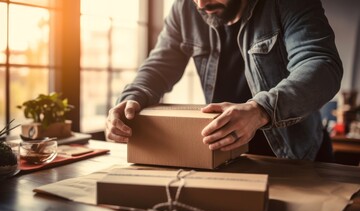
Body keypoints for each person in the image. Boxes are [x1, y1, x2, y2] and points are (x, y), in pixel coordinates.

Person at [106, 0, 343, 162]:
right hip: (227, 158)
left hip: (297, 159)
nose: (200, 4)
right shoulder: (184, 9)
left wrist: (260, 110)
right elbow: (159, 67)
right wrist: (131, 98)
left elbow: (321, 65)